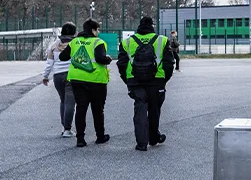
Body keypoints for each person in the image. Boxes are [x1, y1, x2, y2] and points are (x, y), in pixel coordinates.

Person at [117, 16, 175, 151]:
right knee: (154, 110)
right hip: (156, 81)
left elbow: (121, 64)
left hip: (135, 81)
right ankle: (154, 138)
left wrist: (128, 81)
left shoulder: (127, 42)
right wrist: (164, 80)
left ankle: (141, 143)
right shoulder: (162, 40)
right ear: (152, 26)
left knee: (140, 109)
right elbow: (169, 63)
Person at [58, 19, 112, 147]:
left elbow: (62, 57)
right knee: (97, 109)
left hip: (77, 80)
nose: (98, 32)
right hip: (96, 80)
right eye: (97, 29)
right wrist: (108, 59)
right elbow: (100, 59)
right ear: (93, 30)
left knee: (81, 109)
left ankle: (80, 139)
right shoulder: (98, 42)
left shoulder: (75, 42)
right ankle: (100, 136)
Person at [42, 22, 77, 137]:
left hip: (57, 76)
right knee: (70, 102)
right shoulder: (76, 43)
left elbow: (49, 63)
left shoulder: (54, 45)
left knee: (63, 101)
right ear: (74, 32)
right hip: (71, 75)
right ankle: (67, 129)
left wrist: (45, 76)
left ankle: (64, 127)